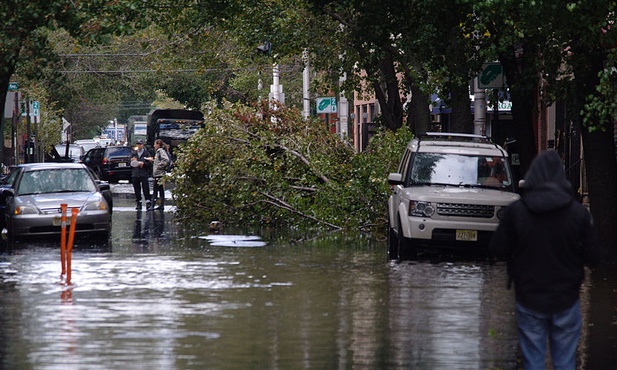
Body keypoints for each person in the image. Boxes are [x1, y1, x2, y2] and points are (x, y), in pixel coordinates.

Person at [489, 150, 603, 369]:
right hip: (566, 299)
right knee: (565, 361)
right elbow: (595, 257)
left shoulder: (517, 212)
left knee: (533, 360)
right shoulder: (578, 214)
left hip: (529, 297)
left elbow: (497, 248)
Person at [130, 139, 153, 210]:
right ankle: (138, 203)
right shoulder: (134, 153)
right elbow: (130, 162)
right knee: (137, 189)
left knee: (145, 188)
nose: (139, 145)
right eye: (138, 144)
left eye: (140, 144)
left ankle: (148, 202)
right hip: (135, 173)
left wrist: (144, 164)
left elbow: (150, 163)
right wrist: (132, 161)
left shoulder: (146, 153)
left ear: (143, 145)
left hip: (143, 173)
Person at [148, 139, 170, 210]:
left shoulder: (160, 151)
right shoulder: (158, 152)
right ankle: (161, 205)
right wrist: (154, 161)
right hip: (158, 174)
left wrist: (159, 166)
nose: (154, 146)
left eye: (155, 144)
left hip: (159, 174)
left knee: (155, 190)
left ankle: (152, 205)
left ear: (158, 145)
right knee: (160, 190)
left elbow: (166, 160)